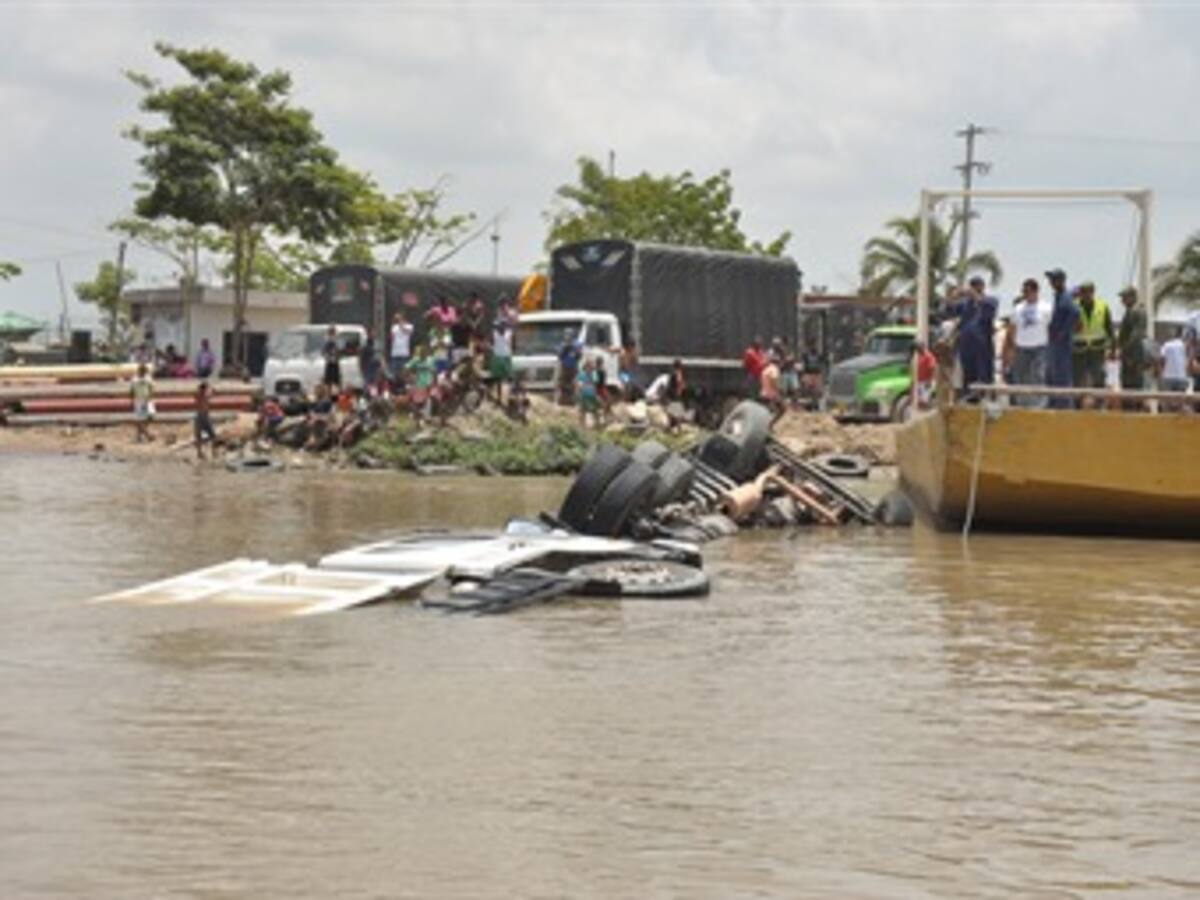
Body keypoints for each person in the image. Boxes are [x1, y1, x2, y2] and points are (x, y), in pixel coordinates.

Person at [947, 275, 998, 395]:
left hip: (983, 347)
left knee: (984, 376)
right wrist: (952, 297)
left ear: (982, 286)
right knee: (968, 376)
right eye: (972, 285)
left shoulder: (990, 300)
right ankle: (969, 399)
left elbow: (990, 309)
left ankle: (985, 399)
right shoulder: (965, 303)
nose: (974, 288)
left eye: (977, 285)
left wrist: (975, 295)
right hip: (966, 346)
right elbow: (949, 311)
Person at [1008, 278, 1051, 408]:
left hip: (1039, 347)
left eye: (1028, 291)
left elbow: (1050, 327)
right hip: (1021, 347)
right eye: (1024, 291)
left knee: (1038, 375)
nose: (1025, 294)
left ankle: (1039, 405)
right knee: (1021, 376)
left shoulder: (1046, 308)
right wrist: (1012, 347)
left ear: (1036, 291)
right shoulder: (1018, 308)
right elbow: (1012, 328)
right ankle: (1022, 403)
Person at [1045, 268, 1079, 409]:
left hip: (1062, 344)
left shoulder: (1065, 297)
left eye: (1053, 279)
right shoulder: (1059, 296)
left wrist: (1063, 333)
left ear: (1060, 281)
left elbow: (1074, 312)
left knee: (1062, 378)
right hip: (1056, 343)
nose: (1051, 282)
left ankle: (1064, 408)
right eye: (1050, 280)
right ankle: (1055, 405)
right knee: (1053, 376)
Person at [1071, 281, 1114, 390]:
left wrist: (1113, 348)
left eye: (1088, 292)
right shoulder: (1074, 306)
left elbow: (1109, 328)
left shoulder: (1103, 306)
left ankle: (1099, 404)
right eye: (1083, 292)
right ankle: (1076, 405)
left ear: (1093, 292)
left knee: (1099, 377)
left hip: (1097, 348)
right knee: (1077, 378)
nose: (1086, 295)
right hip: (1079, 349)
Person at [1116, 286, 1147, 395]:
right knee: (1127, 385)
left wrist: (1127, 352)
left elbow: (1136, 334)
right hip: (1129, 354)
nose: (1122, 300)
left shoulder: (1136, 311)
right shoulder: (1130, 311)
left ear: (1133, 297)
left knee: (1134, 385)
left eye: (1125, 297)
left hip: (1133, 354)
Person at [489, 317, 514, 403]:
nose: (501, 327)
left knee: (509, 378)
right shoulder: (494, 334)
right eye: (499, 326)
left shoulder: (509, 333)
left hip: (506, 357)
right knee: (498, 379)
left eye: (502, 326)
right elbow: (491, 342)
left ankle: (510, 397)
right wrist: (492, 348)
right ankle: (498, 398)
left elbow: (512, 343)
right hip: (497, 357)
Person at [1160, 327, 1190, 394]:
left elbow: (1162, 359)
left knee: (1168, 401)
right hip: (1181, 377)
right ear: (1182, 335)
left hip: (1168, 376)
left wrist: (1162, 372)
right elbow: (1188, 360)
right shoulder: (1185, 346)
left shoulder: (1166, 345)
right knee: (1180, 401)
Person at [556, 328, 582, 406]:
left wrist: (574, 349)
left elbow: (579, 356)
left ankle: (573, 401)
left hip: (573, 366)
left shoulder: (577, 344)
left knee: (573, 384)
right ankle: (562, 400)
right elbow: (560, 356)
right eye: (566, 335)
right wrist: (565, 348)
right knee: (562, 383)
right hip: (564, 366)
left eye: (569, 335)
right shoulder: (562, 344)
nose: (568, 336)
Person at [130, 362, 154, 443]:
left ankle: (140, 434)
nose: (143, 372)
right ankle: (147, 434)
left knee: (151, 416)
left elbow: (151, 388)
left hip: (147, 399)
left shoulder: (148, 378)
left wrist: (150, 397)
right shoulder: (135, 379)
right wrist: (132, 400)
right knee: (140, 418)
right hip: (139, 400)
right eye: (142, 370)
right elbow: (131, 390)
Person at [759, 350, 784, 425]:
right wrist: (779, 390)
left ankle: (767, 425)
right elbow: (774, 380)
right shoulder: (775, 369)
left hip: (764, 393)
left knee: (768, 411)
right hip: (772, 394)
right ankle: (770, 425)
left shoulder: (766, 369)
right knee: (782, 409)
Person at [193, 381, 217, 459]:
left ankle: (201, 453)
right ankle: (213, 452)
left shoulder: (199, 395)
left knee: (199, 436)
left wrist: (209, 389)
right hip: (204, 416)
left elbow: (212, 393)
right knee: (212, 435)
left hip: (200, 416)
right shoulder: (203, 395)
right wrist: (211, 389)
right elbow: (213, 392)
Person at [389, 312, 413, 382]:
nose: (397, 320)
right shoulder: (394, 327)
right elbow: (392, 338)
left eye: (399, 318)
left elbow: (407, 331)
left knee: (404, 372)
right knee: (394, 373)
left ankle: (404, 386)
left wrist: (401, 324)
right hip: (395, 353)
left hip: (404, 353)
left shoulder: (409, 326)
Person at [576, 358, 600, 427]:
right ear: (586, 366)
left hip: (592, 395)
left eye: (592, 366)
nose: (591, 368)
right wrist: (579, 391)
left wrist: (596, 393)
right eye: (589, 366)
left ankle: (597, 424)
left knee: (595, 411)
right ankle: (581, 425)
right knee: (582, 411)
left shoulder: (594, 374)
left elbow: (595, 384)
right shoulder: (581, 374)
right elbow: (579, 385)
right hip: (584, 395)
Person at [914, 340, 937, 409]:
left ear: (923, 347)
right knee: (920, 400)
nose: (917, 349)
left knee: (925, 400)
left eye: (919, 347)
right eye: (917, 348)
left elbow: (932, 368)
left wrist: (930, 380)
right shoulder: (918, 356)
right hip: (920, 381)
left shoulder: (928, 356)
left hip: (926, 381)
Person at [322, 325, 341, 389]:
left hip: (335, 363)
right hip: (330, 364)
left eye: (334, 332)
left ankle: (335, 395)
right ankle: (330, 395)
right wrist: (329, 357)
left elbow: (338, 351)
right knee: (329, 382)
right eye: (332, 332)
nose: (333, 334)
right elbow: (324, 352)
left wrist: (337, 355)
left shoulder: (336, 341)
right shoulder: (327, 342)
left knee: (336, 381)